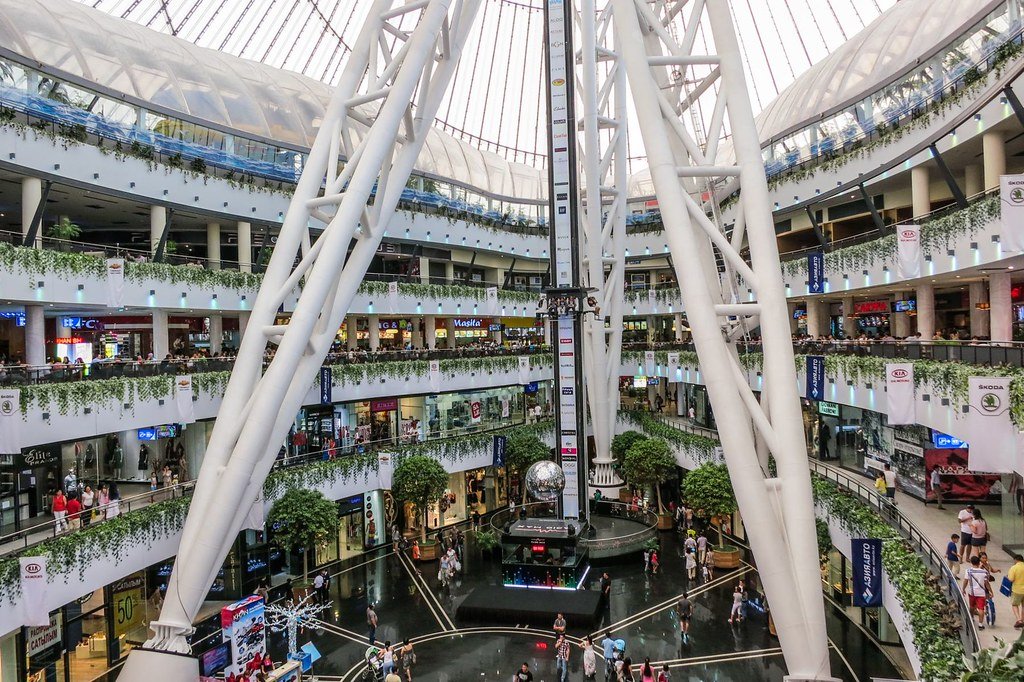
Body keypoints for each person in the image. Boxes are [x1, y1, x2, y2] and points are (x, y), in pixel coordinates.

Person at [962, 555, 992, 630]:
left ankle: (971, 618)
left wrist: (963, 589)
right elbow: (987, 583)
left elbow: (966, 581)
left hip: (972, 592)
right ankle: (980, 624)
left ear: (971, 563)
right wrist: (991, 591)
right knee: (981, 608)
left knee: (972, 606)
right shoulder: (984, 572)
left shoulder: (968, 571)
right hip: (981, 593)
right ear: (979, 563)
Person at [1007, 554, 1024, 629]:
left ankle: (1019, 620)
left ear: (1016, 560)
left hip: (1017, 590)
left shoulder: (1014, 568)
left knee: (1014, 604)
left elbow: (1011, 579)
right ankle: (1023, 620)